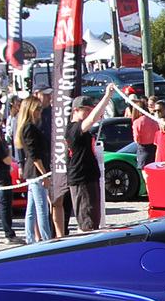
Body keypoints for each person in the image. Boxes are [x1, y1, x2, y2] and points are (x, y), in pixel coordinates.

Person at [65, 92, 109, 232]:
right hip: (81, 180)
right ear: (76, 110)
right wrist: (107, 96)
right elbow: (90, 121)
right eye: (87, 110)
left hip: (89, 178)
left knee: (92, 221)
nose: (91, 113)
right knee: (87, 223)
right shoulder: (73, 129)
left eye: (91, 109)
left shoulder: (83, 130)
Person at [13, 96, 55, 244]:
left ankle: (30, 238)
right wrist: (44, 175)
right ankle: (46, 239)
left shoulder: (29, 126)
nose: (39, 111)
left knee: (31, 209)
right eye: (36, 108)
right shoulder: (29, 128)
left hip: (33, 171)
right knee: (41, 208)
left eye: (40, 108)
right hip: (36, 172)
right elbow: (34, 154)